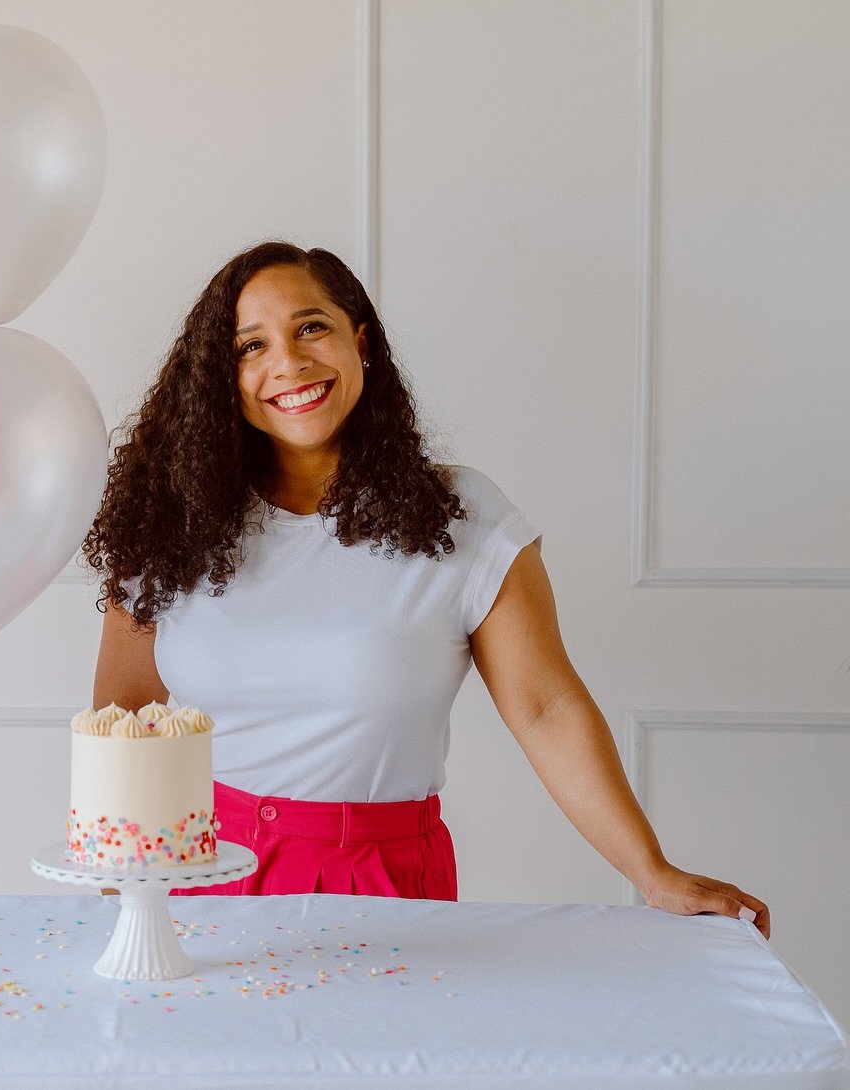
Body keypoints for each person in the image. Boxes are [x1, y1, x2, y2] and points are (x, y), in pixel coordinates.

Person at [82, 241, 770, 938]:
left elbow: (545, 708)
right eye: (249, 346)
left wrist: (651, 871)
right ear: (220, 380)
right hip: (194, 873)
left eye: (310, 327)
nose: (287, 363)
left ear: (362, 341)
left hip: (381, 881)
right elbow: (125, 714)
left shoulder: (462, 516)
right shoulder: (173, 522)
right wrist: (120, 893)